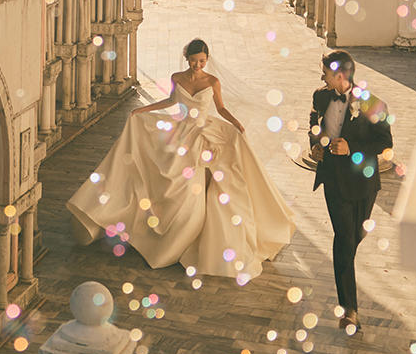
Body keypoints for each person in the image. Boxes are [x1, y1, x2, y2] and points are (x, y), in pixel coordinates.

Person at [68, 39, 295, 281]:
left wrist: (235, 122)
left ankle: (190, 237)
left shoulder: (212, 82)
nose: (198, 65)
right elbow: (171, 102)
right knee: (169, 181)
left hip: (204, 134)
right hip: (180, 133)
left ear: (207, 60)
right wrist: (142, 111)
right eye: (195, 61)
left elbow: (220, 108)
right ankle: (168, 239)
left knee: (197, 186)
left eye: (202, 61)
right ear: (187, 58)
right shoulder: (178, 77)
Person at [308, 50, 394, 332]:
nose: (322, 77)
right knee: (343, 240)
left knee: (356, 236)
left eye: (326, 73)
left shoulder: (372, 103)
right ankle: (349, 310)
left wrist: (352, 149)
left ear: (341, 76)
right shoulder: (321, 96)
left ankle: (347, 287)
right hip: (333, 179)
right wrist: (317, 145)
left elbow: (385, 143)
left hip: (363, 182)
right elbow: (315, 125)